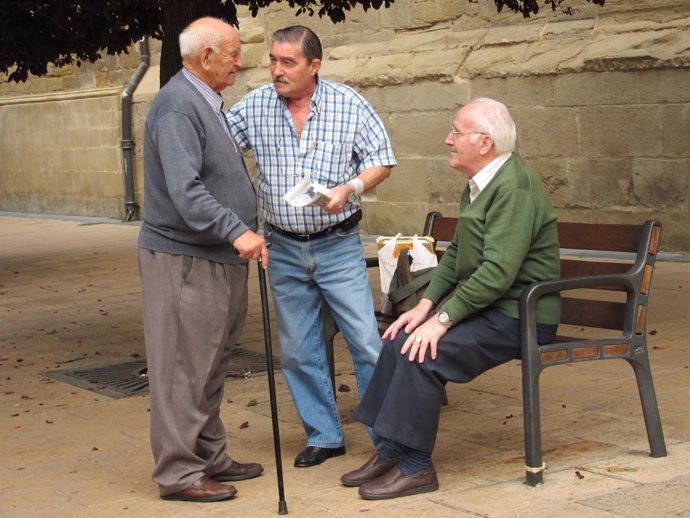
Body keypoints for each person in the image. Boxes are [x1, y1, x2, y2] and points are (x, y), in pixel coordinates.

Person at [340, 98, 561, 500]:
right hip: (492, 307)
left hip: (520, 314)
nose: (448, 140)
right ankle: (391, 449)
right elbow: (457, 254)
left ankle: (416, 466)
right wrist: (425, 307)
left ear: (485, 143)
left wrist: (441, 321)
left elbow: (497, 273)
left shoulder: (514, 187)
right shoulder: (480, 183)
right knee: (397, 337)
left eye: (456, 132)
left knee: (423, 354)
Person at [226, 25, 396, 468]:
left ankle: (390, 438)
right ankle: (324, 436)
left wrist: (350, 187)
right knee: (299, 349)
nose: (276, 71)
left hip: (338, 245)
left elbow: (382, 159)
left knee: (365, 342)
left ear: (314, 65)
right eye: (273, 61)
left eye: (288, 63)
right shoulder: (256, 106)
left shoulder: (348, 103)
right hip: (281, 247)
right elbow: (216, 149)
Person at [137, 17, 269, 503]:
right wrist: (238, 231)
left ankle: (209, 454)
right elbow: (186, 192)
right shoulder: (178, 106)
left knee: (211, 363)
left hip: (217, 257)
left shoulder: (204, 100)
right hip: (186, 258)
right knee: (182, 368)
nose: (241, 61)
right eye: (233, 53)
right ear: (205, 56)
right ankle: (177, 472)